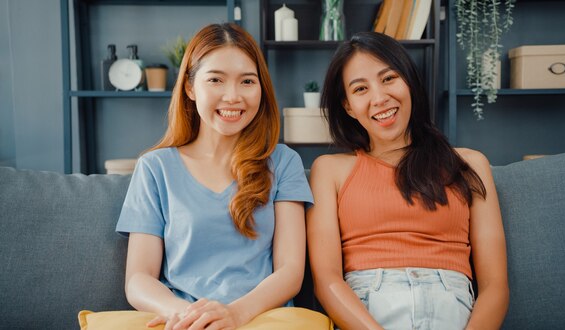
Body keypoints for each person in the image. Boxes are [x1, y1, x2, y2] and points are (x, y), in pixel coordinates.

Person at [306, 31, 509, 330]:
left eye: (389, 78)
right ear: (348, 106)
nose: (379, 98)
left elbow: (495, 286)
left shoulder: (469, 165)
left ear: (409, 82)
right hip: (368, 313)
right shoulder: (329, 171)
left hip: (452, 312)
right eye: (360, 89)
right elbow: (327, 281)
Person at [116, 23, 313, 330]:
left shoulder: (284, 162)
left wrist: (235, 314)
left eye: (247, 81)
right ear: (191, 88)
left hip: (260, 318)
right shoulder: (155, 168)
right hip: (182, 319)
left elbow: (290, 271)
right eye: (216, 80)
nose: (233, 96)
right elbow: (139, 279)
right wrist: (189, 315)